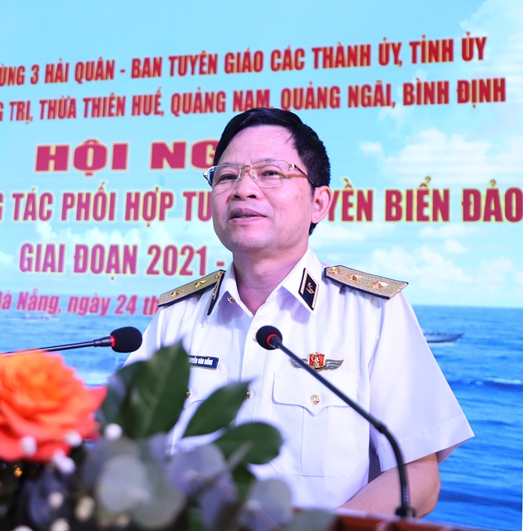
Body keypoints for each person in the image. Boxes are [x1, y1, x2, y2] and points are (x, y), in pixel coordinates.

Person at [126, 108, 473, 516]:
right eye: (226, 176)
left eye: (270, 173)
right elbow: (123, 449)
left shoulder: (371, 313)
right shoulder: (176, 316)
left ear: (318, 203)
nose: (243, 189)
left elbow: (418, 476)